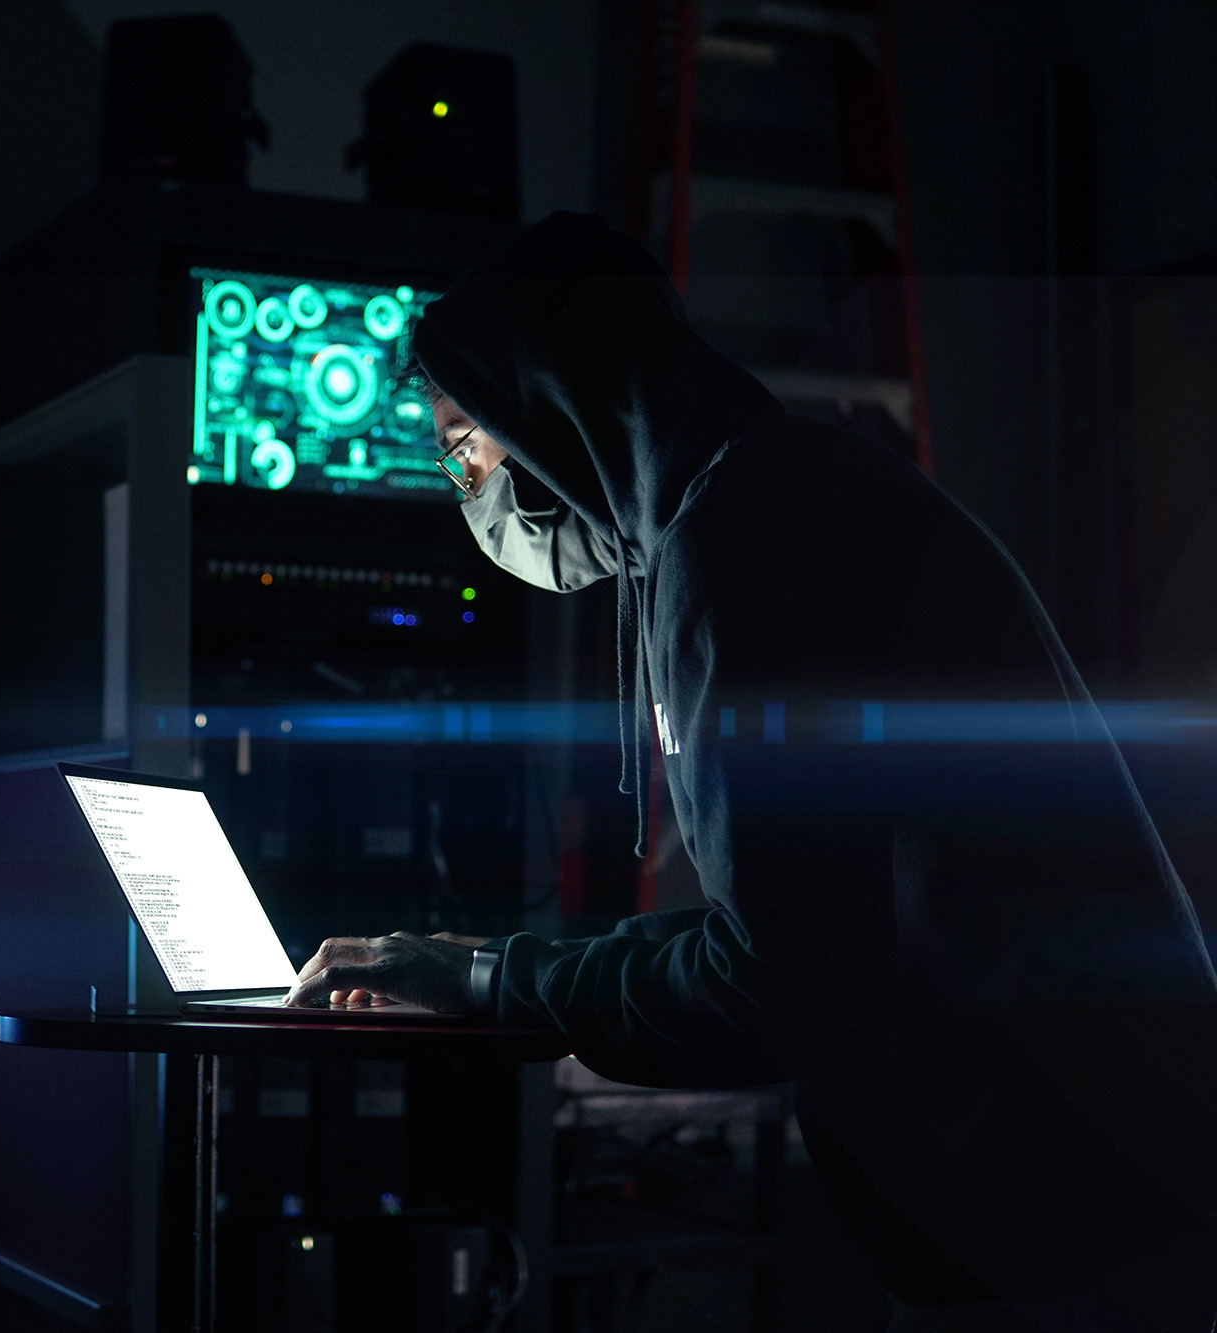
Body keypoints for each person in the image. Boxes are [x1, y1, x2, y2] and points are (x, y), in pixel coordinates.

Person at [284, 212, 1217, 1330]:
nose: (467, 491)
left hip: (1063, 1202)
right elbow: (808, 938)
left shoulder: (739, 547)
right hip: (1091, 1168)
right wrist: (497, 965)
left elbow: (776, 984)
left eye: (460, 447)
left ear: (548, 409)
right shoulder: (768, 496)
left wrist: (489, 984)